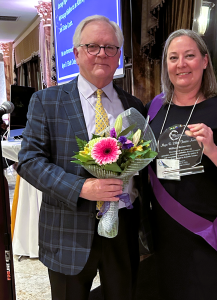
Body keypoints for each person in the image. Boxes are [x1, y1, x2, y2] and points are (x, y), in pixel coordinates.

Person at [17, 15, 151, 300]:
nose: (102, 54)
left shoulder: (134, 106)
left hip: (122, 230)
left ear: (118, 56)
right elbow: (29, 161)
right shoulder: (47, 101)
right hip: (67, 230)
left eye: (110, 47)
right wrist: (81, 188)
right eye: (92, 46)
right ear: (76, 53)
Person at [146, 29, 217, 300]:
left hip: (212, 232)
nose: (181, 64)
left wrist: (213, 149)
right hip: (166, 233)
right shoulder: (155, 109)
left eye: (189, 56)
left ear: (204, 61)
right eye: (173, 58)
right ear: (166, 66)